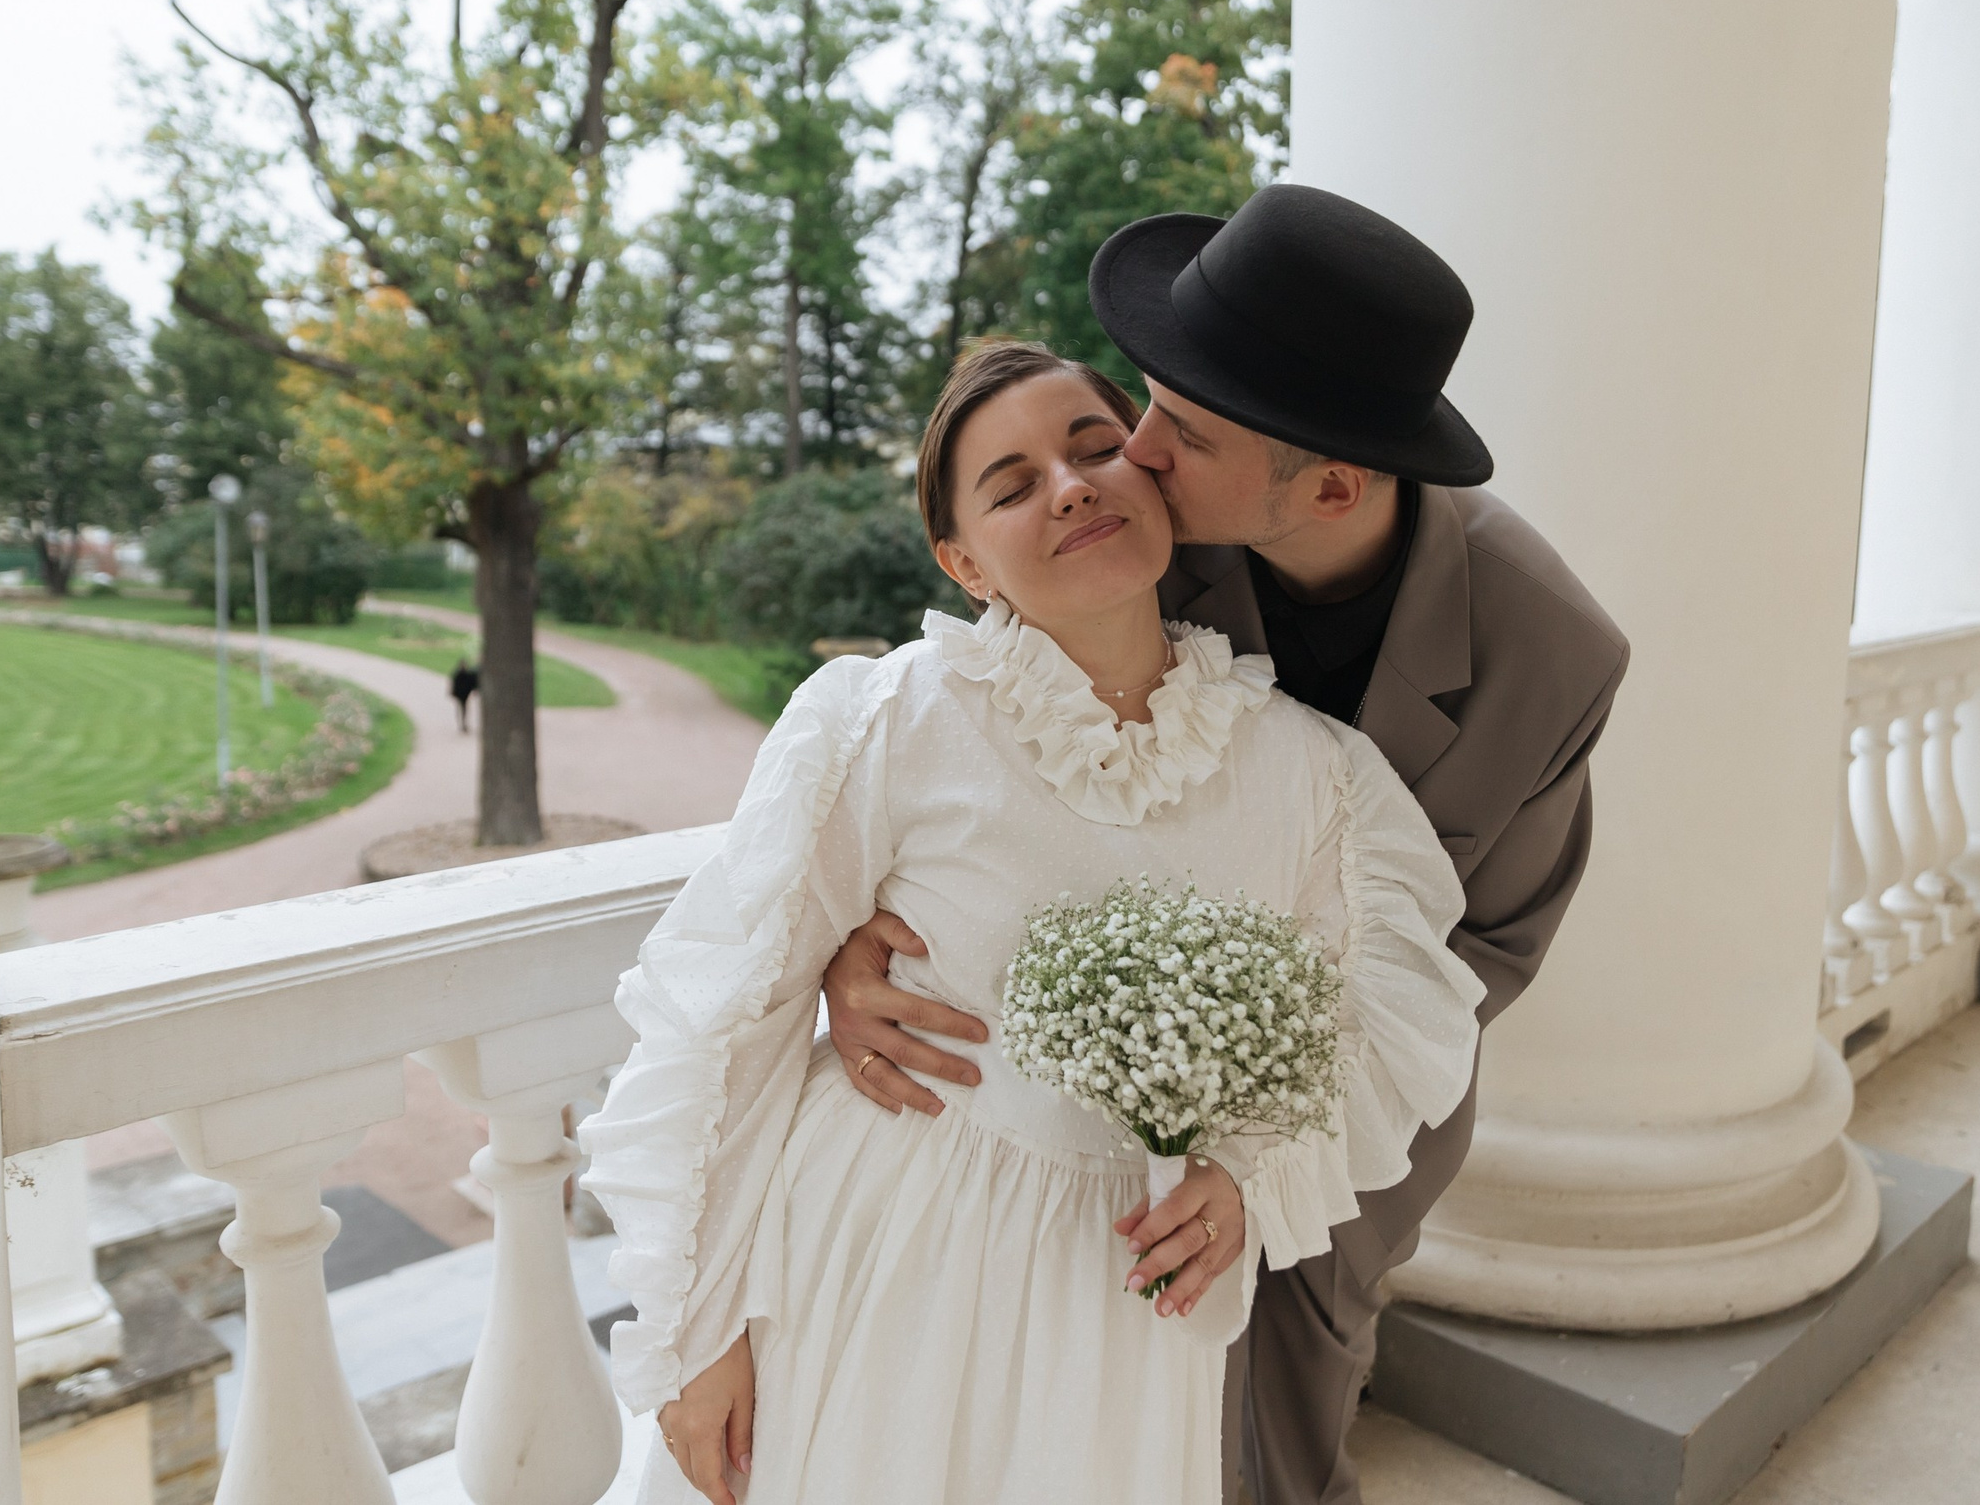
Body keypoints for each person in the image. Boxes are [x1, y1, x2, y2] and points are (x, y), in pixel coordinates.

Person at [822, 184, 1630, 1504]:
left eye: (1182, 428)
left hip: (1351, 1097)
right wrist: (850, 949)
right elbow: (985, 747)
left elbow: (1485, 942)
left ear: (1332, 481)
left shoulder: (1553, 649)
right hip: (1072, 1102)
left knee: (1280, 1443)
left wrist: (1258, 1143)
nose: (1132, 451)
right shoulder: (1132, 532)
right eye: (1148, 398)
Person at [578, 341, 1487, 1505]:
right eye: (1010, 486)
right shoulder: (890, 718)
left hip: (1119, 1296)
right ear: (963, 561)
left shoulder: (1314, 776)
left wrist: (1246, 1175)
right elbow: (731, 1015)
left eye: (1096, 447)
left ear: (1154, 476)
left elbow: (1374, 1017)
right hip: (884, 1245)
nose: (1068, 485)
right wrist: (698, 1335)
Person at [449, 658, 479, 733]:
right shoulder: (458, 674)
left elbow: (472, 683)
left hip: (465, 694)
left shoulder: (467, 674)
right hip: (460, 694)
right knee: (462, 708)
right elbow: (453, 684)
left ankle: (463, 723)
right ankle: (462, 724)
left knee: (463, 708)